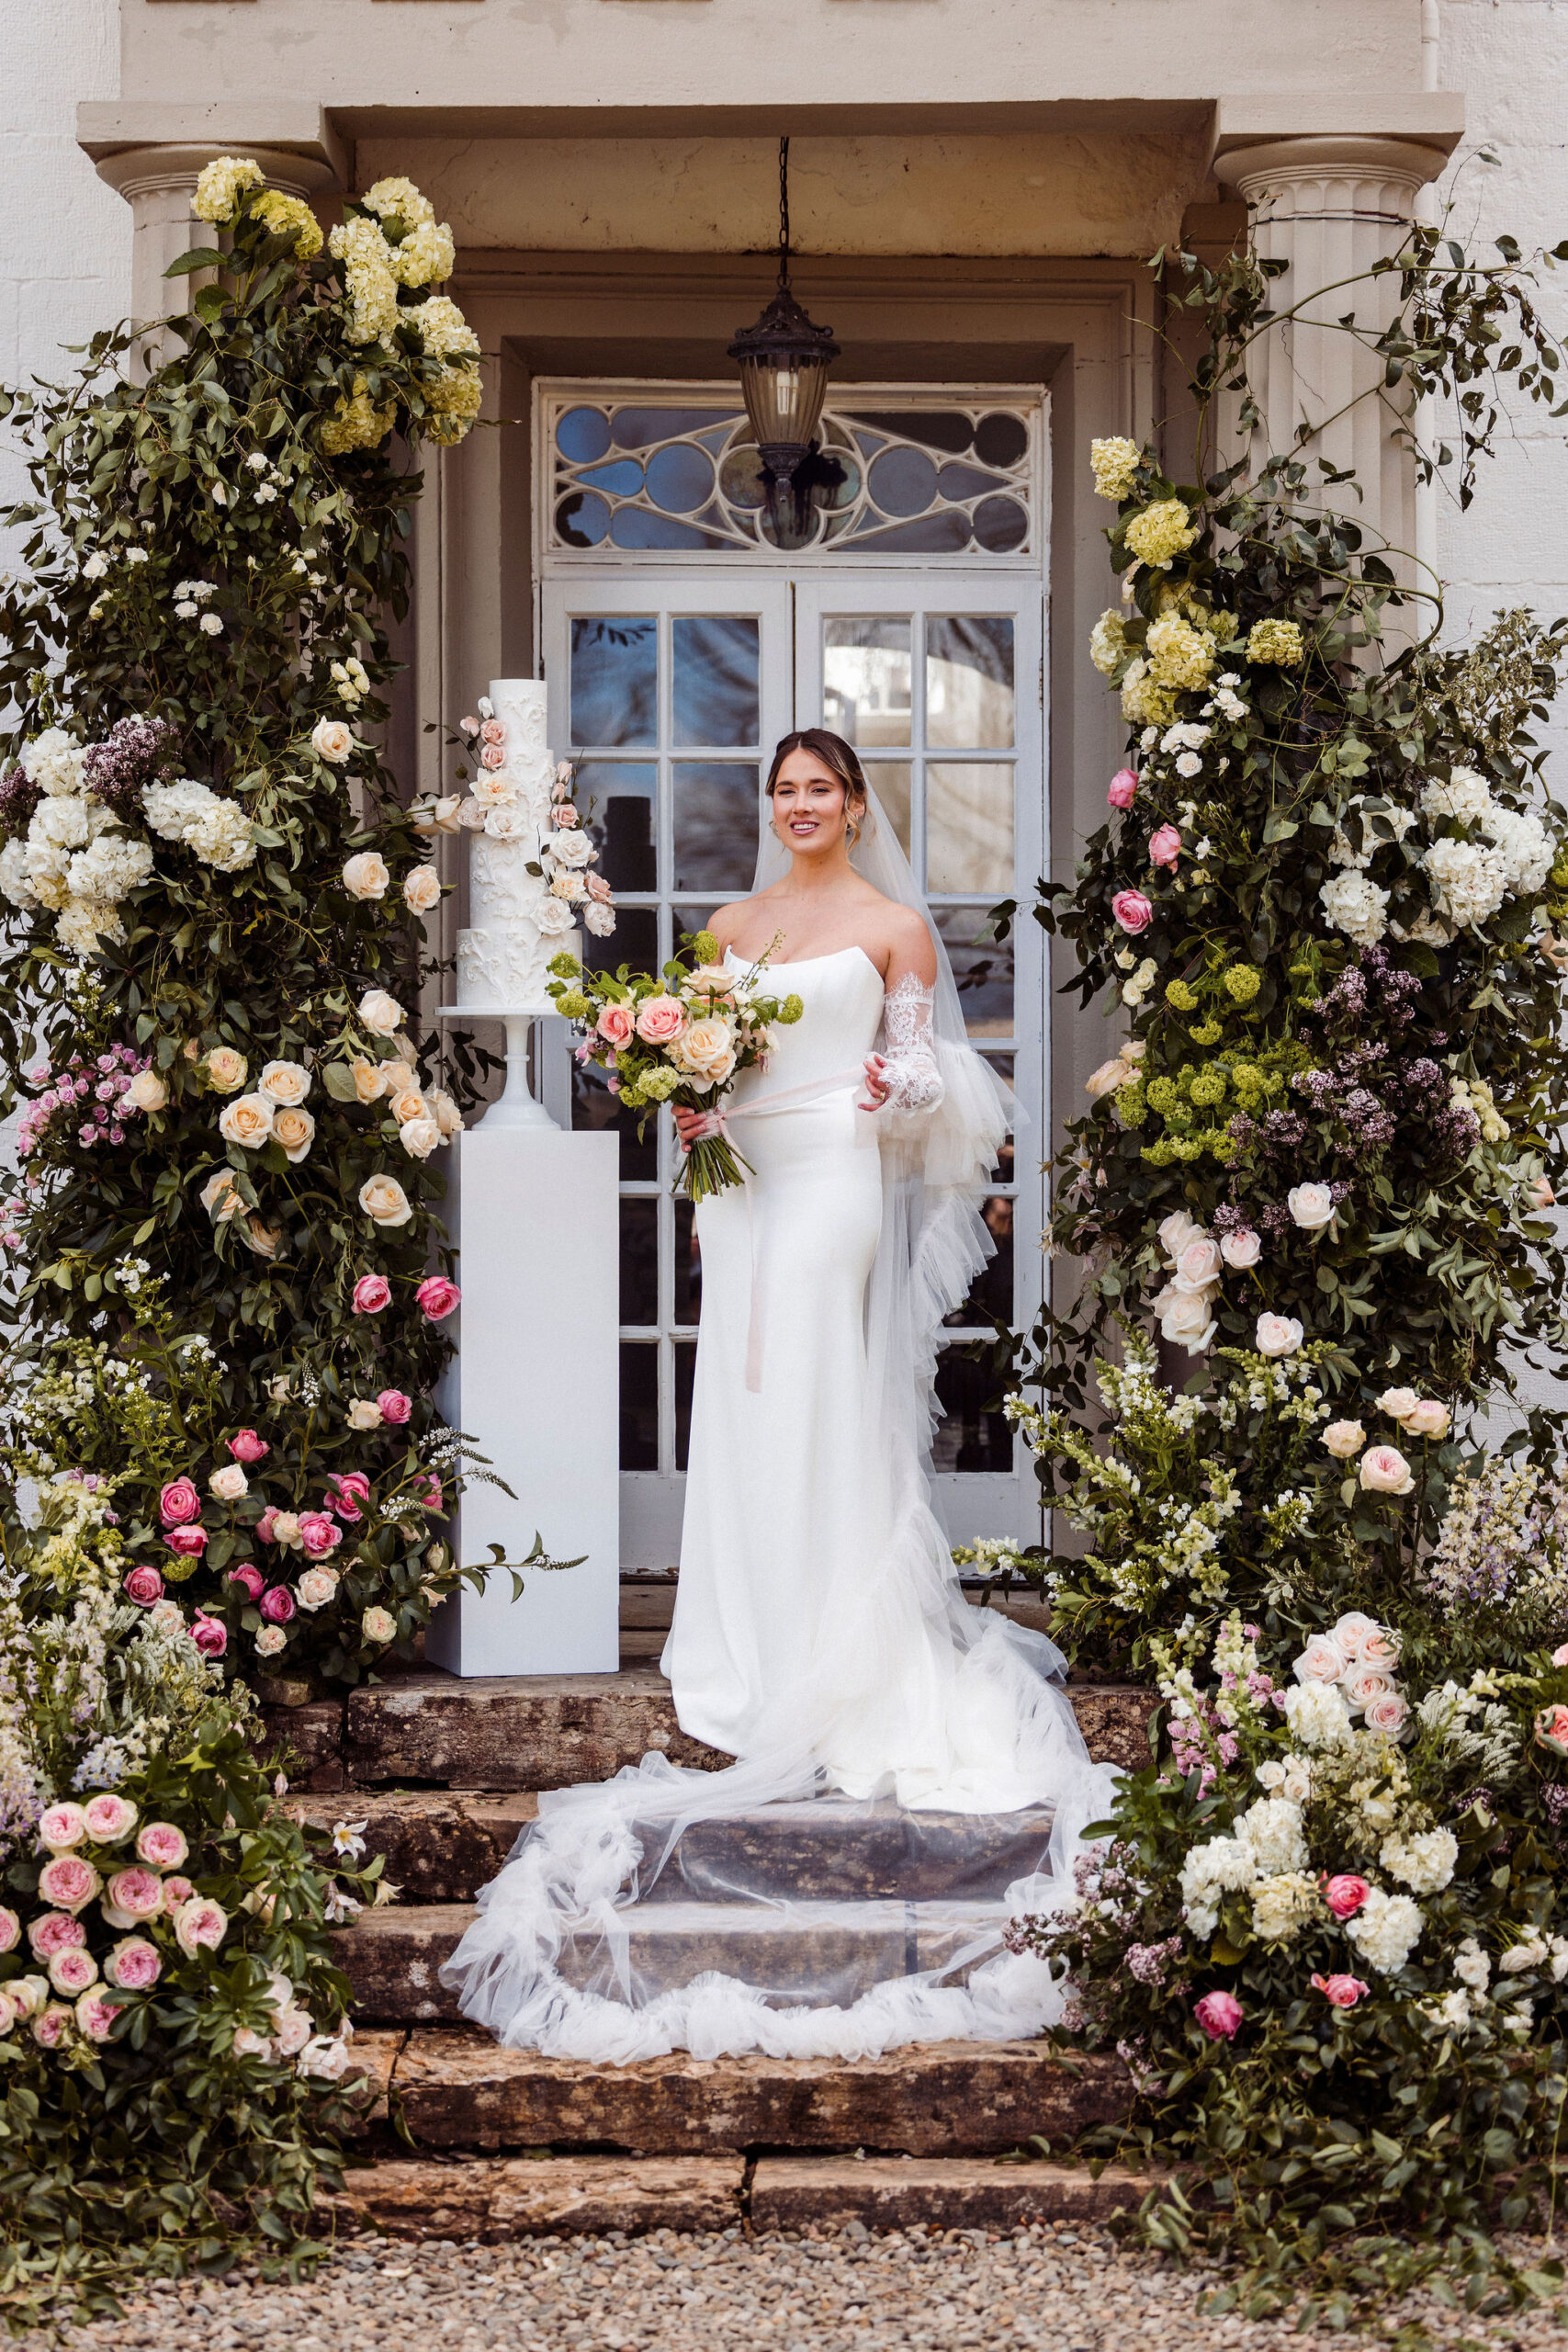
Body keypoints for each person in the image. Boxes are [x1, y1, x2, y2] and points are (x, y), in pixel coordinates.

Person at [439, 729, 1115, 2064]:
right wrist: (693, 1108)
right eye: (784, 790)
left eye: (821, 789)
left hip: (833, 1181)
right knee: (745, 1400)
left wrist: (895, 1082)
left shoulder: (894, 930)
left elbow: (930, 1078)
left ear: (856, 806)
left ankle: (838, 1646)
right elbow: (708, 1068)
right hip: (745, 1187)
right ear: (773, 806)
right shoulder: (731, 928)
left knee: (814, 1389)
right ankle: (746, 1637)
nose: (801, 805)